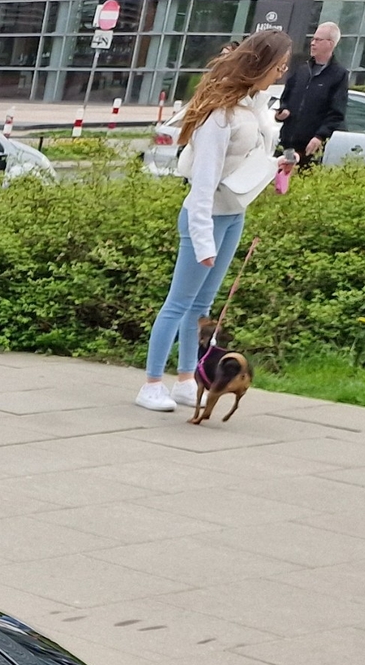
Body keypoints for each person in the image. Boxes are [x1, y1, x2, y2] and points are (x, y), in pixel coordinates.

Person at [137, 30, 291, 413]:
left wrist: (276, 166)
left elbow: (246, 160)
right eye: (278, 65)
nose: (282, 72)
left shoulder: (248, 108)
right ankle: (152, 383)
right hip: (203, 218)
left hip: (232, 215)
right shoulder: (219, 117)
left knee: (201, 305)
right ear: (261, 64)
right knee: (179, 303)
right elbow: (203, 184)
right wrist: (203, 241)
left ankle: (188, 378)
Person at [277, 22, 350, 166]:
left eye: (318, 40)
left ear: (330, 43)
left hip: (309, 146)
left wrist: (319, 137)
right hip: (287, 142)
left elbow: (337, 112)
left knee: (301, 182)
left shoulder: (338, 75)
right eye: (313, 39)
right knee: (279, 181)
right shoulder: (301, 70)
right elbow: (286, 97)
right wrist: (281, 111)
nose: (312, 43)